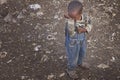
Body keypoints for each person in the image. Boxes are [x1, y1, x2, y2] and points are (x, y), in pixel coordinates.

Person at [64, 0, 92, 79]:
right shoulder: (69, 21)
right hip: (72, 43)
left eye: (73, 17)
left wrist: (85, 29)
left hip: (82, 40)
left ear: (80, 14)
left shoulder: (85, 17)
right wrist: (72, 21)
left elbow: (90, 24)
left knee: (82, 52)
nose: (71, 18)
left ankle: (80, 63)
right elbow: (71, 33)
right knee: (73, 57)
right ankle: (71, 69)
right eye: (70, 16)